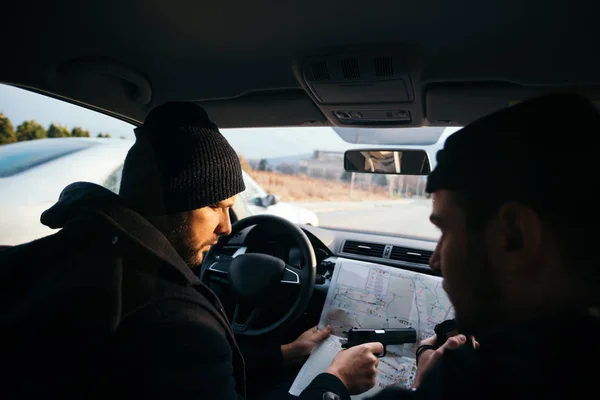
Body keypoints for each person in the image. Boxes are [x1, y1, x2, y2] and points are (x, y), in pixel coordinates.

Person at [0, 102, 334, 398]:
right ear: (173, 202)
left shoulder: (51, 256)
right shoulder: (173, 319)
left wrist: (284, 353)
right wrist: (333, 385)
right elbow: (183, 354)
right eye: (217, 206)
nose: (227, 226)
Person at [298, 92, 600, 399]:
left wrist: (337, 379)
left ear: (513, 237)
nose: (436, 261)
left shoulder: (469, 381)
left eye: (446, 231)